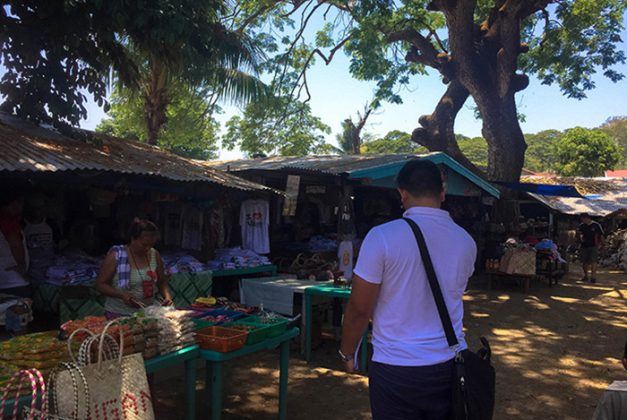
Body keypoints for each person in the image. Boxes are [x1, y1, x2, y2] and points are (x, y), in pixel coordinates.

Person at [340, 160, 477, 420]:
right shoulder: (466, 241)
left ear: (402, 193)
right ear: (443, 192)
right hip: (449, 364)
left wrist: (348, 352)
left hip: (395, 367)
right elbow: (454, 293)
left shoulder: (381, 237)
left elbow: (359, 308)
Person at [96, 219, 173, 318]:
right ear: (133, 239)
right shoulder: (116, 255)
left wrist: (167, 296)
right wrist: (121, 295)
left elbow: (161, 281)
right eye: (144, 245)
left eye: (151, 245)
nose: (147, 248)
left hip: (147, 313)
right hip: (119, 314)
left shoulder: (154, 254)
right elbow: (100, 285)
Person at [0, 191, 31, 298]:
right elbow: (15, 244)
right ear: (14, 203)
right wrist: (22, 269)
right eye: (21, 202)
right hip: (13, 281)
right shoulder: (8, 221)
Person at [23, 192, 57, 284]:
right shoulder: (22, 224)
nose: (37, 211)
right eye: (34, 208)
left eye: (40, 208)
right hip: (30, 267)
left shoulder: (51, 223)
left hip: (50, 267)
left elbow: (58, 242)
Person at [578, 213, 604, 283]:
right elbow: (579, 235)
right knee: (584, 262)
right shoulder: (581, 226)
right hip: (584, 246)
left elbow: (601, 235)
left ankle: (593, 277)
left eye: (583, 219)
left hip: (594, 246)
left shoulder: (596, 225)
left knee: (594, 261)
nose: (582, 221)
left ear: (586, 218)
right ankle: (586, 275)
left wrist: (602, 244)